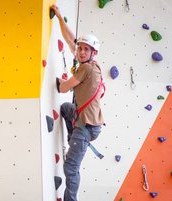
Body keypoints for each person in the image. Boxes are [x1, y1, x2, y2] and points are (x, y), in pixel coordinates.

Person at [51, 5, 105, 201]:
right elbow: (69, 38)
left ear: (93, 52)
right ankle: (73, 139)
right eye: (80, 48)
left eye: (85, 49)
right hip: (83, 119)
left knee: (70, 167)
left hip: (87, 127)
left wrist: (58, 82)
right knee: (66, 109)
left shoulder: (86, 69)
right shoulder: (89, 64)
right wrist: (59, 18)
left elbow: (64, 88)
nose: (81, 52)